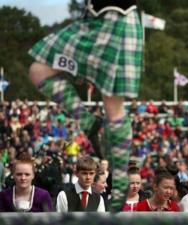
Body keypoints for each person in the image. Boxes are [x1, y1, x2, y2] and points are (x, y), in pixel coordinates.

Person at [28, 0, 142, 210]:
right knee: (38, 71)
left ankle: (119, 182)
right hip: (91, 21)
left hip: (119, 16)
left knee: (113, 107)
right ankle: (87, 121)